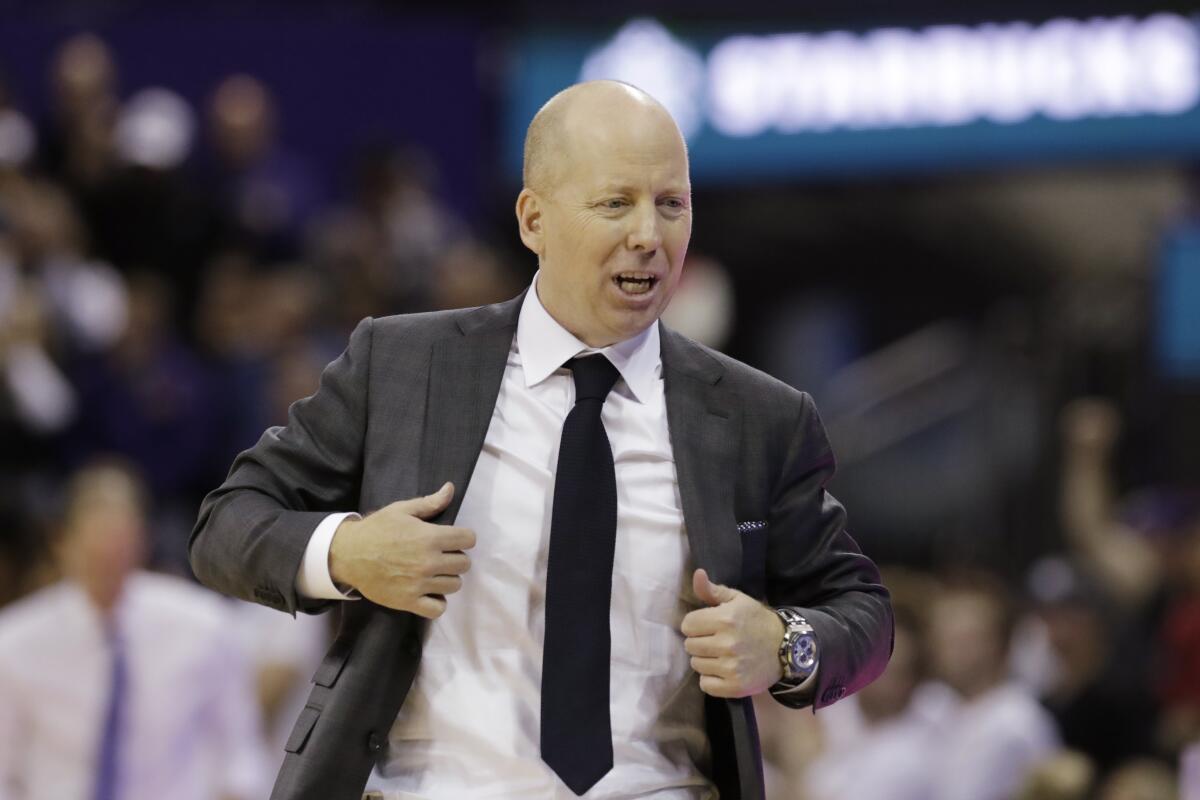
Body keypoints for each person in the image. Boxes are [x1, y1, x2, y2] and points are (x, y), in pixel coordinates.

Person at [190, 80, 892, 800]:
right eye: (615, 202)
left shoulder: (757, 417)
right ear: (534, 220)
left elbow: (862, 614)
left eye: (671, 203)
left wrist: (783, 645)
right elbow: (228, 524)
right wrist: (348, 552)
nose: (649, 235)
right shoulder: (403, 367)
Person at [0, 461, 269, 800]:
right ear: (62, 541)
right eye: (96, 544)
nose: (109, 555)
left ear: (142, 538)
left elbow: (240, 756)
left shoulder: (203, 626)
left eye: (120, 539)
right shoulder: (13, 643)